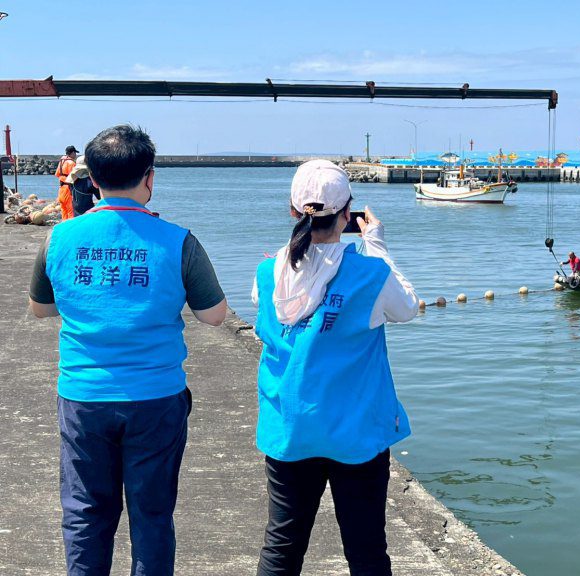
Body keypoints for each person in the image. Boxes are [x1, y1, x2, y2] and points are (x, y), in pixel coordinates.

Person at [28, 125, 228, 575]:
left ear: (92, 180)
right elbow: (214, 316)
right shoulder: (179, 241)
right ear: (149, 178)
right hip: (156, 398)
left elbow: (40, 310)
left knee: (85, 513)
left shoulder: (59, 238)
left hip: (83, 397)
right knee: (152, 515)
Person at [251, 159, 419, 575]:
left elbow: (273, 307)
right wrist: (376, 242)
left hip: (290, 428)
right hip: (356, 432)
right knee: (366, 550)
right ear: (348, 215)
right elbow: (408, 309)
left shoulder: (267, 272)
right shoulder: (370, 272)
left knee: (282, 546)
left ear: (293, 211)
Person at [55, 145, 78, 220]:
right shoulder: (71, 163)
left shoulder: (61, 162)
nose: (76, 155)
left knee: (63, 209)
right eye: (75, 153)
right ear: (72, 153)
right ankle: (70, 228)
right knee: (70, 210)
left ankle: (64, 225)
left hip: (61, 188)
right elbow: (74, 177)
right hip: (68, 189)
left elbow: (57, 174)